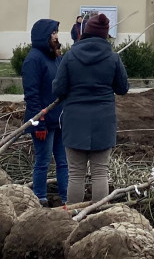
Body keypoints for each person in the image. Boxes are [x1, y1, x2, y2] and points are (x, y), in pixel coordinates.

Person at [52, 13, 129, 205]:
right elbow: (122, 88)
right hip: (103, 121)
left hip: (74, 121)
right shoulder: (113, 58)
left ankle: (73, 216)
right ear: (105, 35)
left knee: (76, 174)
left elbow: (58, 89)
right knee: (100, 172)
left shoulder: (70, 56)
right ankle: (98, 218)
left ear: (85, 33)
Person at [22, 18, 68, 205]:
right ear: (44, 36)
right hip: (42, 121)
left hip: (59, 119)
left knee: (63, 161)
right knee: (43, 161)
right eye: (53, 33)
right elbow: (31, 95)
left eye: (57, 32)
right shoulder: (33, 60)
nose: (57, 36)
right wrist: (38, 122)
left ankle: (67, 198)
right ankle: (40, 198)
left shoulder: (55, 57)